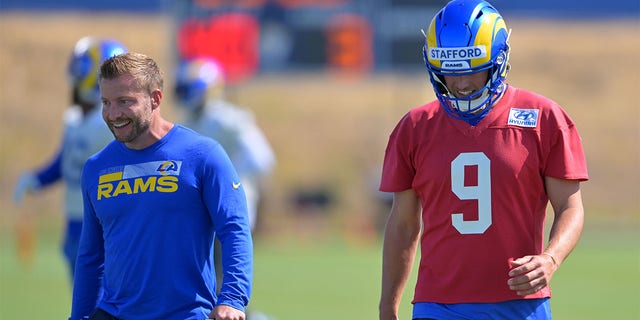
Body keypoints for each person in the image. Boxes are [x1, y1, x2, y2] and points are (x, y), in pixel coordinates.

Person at [378, 1, 588, 319]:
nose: (461, 84)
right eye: (450, 74)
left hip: (520, 303)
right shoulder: (415, 128)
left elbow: (570, 207)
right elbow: (403, 225)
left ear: (498, 60)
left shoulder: (543, 118)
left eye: (472, 71)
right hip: (438, 305)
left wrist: (551, 258)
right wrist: (387, 307)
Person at [68, 52, 253, 320]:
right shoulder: (96, 168)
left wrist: (233, 299)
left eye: (125, 101)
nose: (113, 113)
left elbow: (234, 229)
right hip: (113, 314)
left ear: (155, 99)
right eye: (106, 102)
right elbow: (91, 256)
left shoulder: (203, 155)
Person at [13, 36, 127, 280]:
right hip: (76, 225)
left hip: (105, 228)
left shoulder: (106, 125)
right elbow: (65, 163)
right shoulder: (77, 121)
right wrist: (37, 179)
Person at [174, 57, 276, 233]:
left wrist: (224, 178)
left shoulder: (228, 121)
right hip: (197, 213)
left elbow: (261, 158)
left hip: (229, 208)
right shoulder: (187, 124)